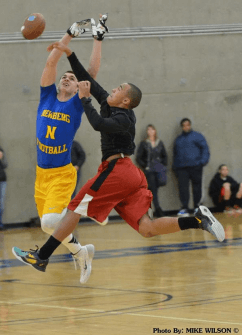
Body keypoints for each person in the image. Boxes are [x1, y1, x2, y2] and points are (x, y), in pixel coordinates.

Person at [12, 42, 225, 285]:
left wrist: (83, 100)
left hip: (118, 170)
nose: (113, 89)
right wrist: (71, 53)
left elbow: (98, 124)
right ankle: (197, 220)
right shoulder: (108, 103)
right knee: (147, 228)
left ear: (126, 101)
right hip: (129, 176)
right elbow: (87, 78)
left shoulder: (124, 118)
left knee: (75, 208)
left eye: (119, 89)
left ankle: (41, 256)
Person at [31, 15, 109, 273]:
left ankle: (92, 208)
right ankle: (80, 251)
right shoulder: (47, 97)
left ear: (78, 88)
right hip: (41, 173)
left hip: (61, 174)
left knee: (53, 219)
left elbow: (91, 73)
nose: (66, 78)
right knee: (46, 225)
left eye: (71, 78)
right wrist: (69, 33)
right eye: (64, 77)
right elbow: (50, 61)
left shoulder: (75, 103)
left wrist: (97, 41)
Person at [172, 118, 210, 217]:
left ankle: (197, 207)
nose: (186, 127)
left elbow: (205, 149)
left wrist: (202, 162)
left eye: (188, 125)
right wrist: (175, 167)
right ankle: (184, 208)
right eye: (184, 125)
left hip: (195, 166)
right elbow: (175, 154)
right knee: (183, 189)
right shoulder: (178, 139)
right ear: (182, 127)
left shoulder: (197, 136)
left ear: (190, 125)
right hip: (181, 168)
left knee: (197, 187)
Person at [136, 124, 167, 217]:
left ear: (155, 131)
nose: (150, 131)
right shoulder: (144, 143)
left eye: (152, 129)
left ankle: (153, 209)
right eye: (148, 130)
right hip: (149, 171)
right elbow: (139, 157)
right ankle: (157, 209)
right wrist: (145, 166)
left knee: (155, 189)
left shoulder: (159, 142)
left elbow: (164, 155)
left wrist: (162, 164)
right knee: (153, 190)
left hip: (159, 169)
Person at [0, 147, 7, 230]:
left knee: (1, 204)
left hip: (2, 180)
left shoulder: (1, 150)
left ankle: (0, 223)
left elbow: (5, 165)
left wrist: (1, 159)